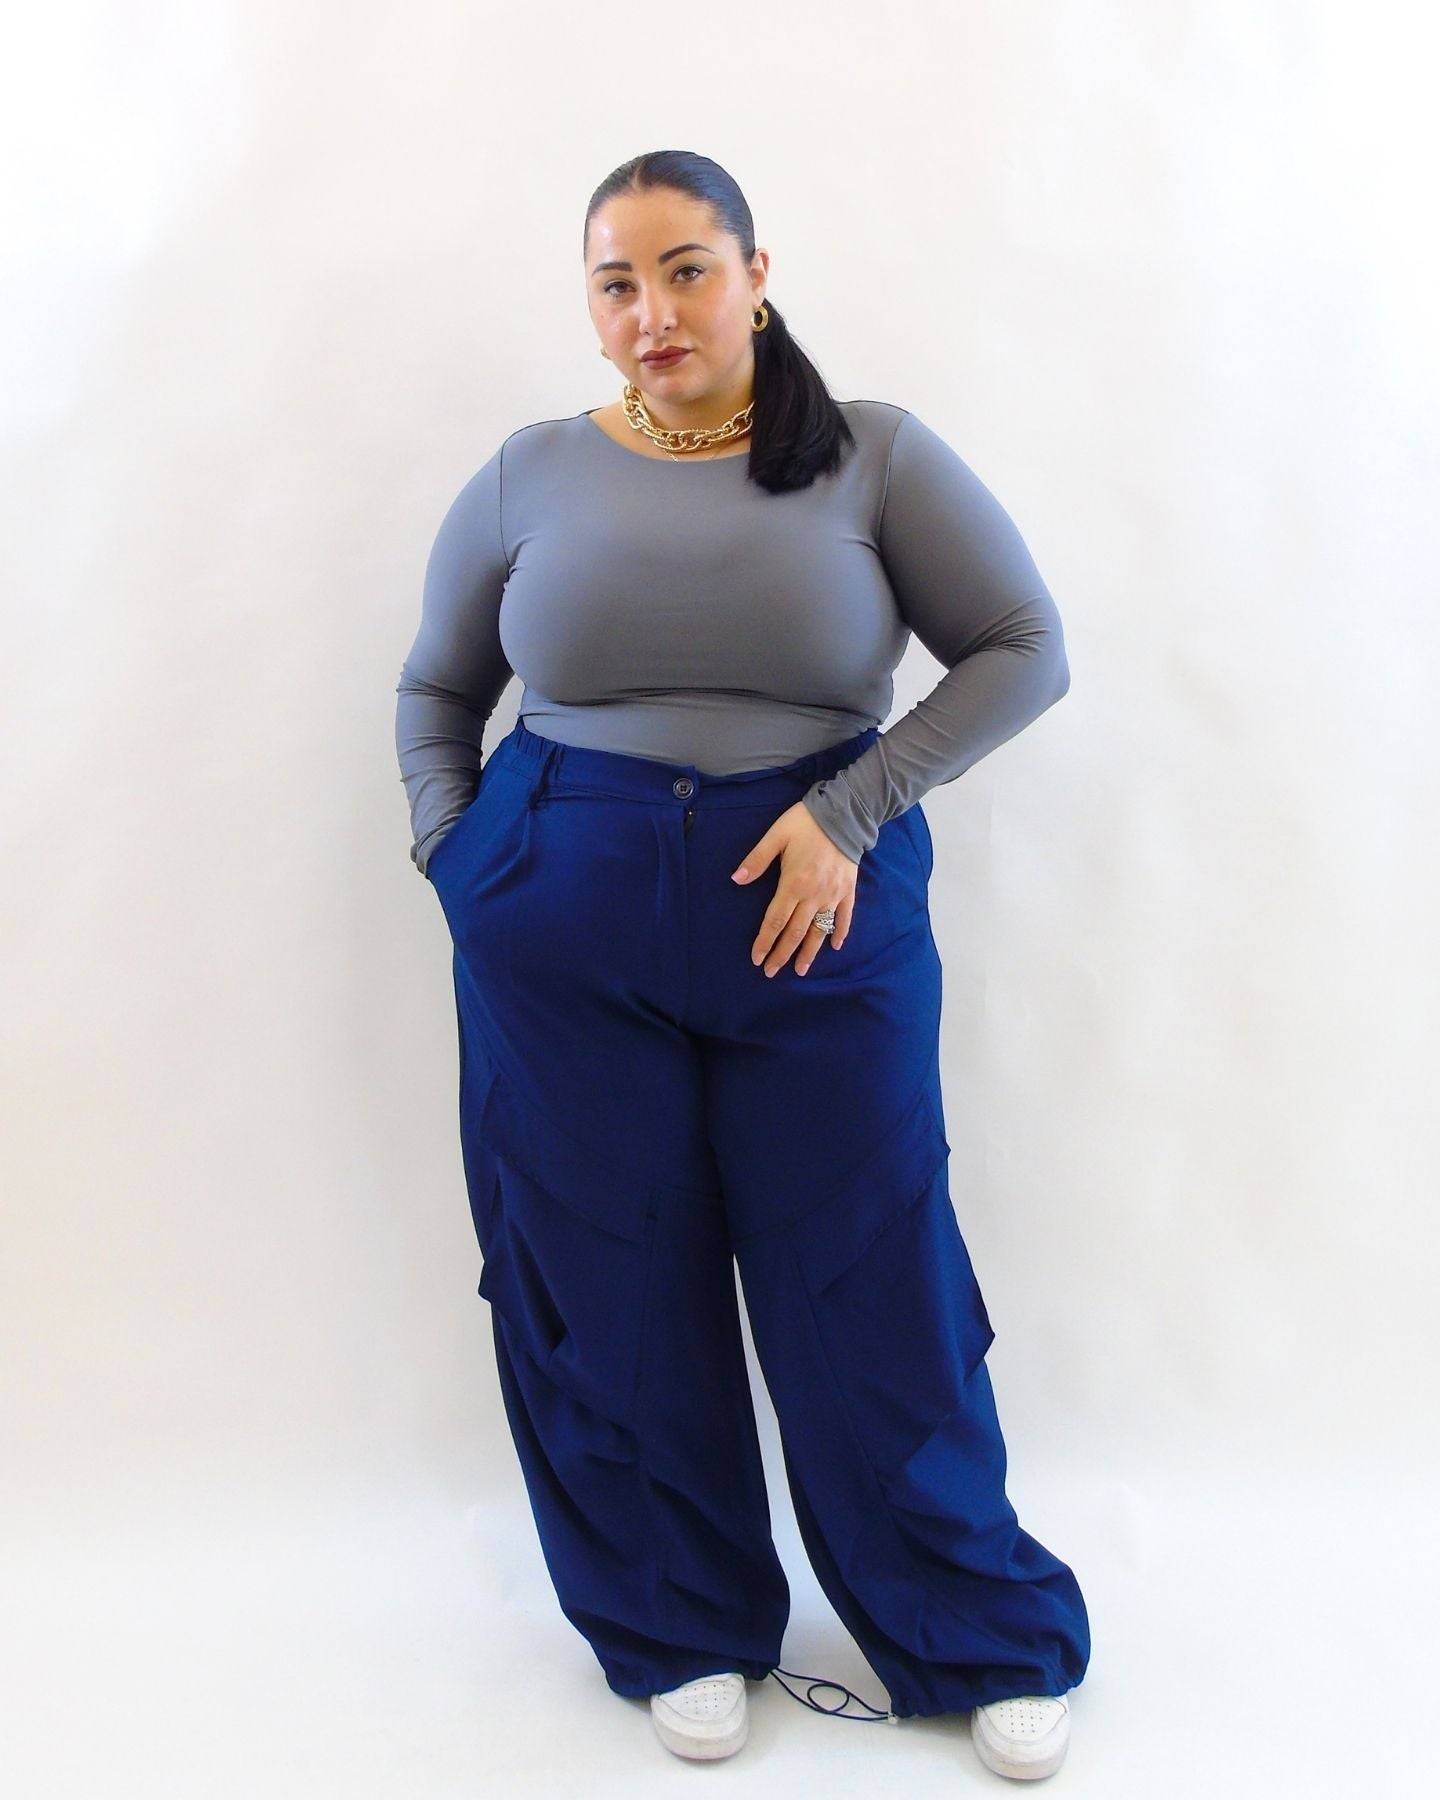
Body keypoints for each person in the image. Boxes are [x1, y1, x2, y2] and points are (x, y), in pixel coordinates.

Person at [394, 149, 1091, 1782]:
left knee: (871, 1269)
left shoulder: (874, 456)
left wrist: (852, 809)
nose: (653, 312)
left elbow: (1025, 648)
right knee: (602, 1274)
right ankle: (678, 1623)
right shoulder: (528, 474)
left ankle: (973, 1632)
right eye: (616, 283)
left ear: (757, 275)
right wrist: (461, 864)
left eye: (686, 270)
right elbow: (436, 688)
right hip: (561, 921)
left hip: (816, 916)